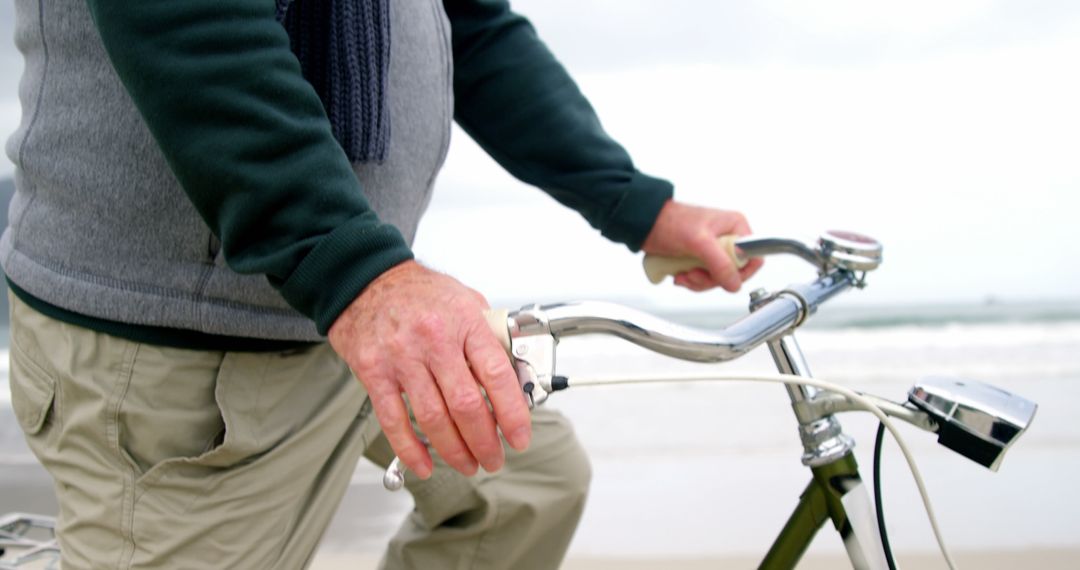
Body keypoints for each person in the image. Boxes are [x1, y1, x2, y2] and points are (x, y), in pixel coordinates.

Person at [2, 0, 762, 568]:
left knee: (526, 485)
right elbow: (192, 19)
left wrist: (636, 204)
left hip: (341, 301)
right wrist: (360, 274)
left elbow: (471, 23)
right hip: (182, 340)